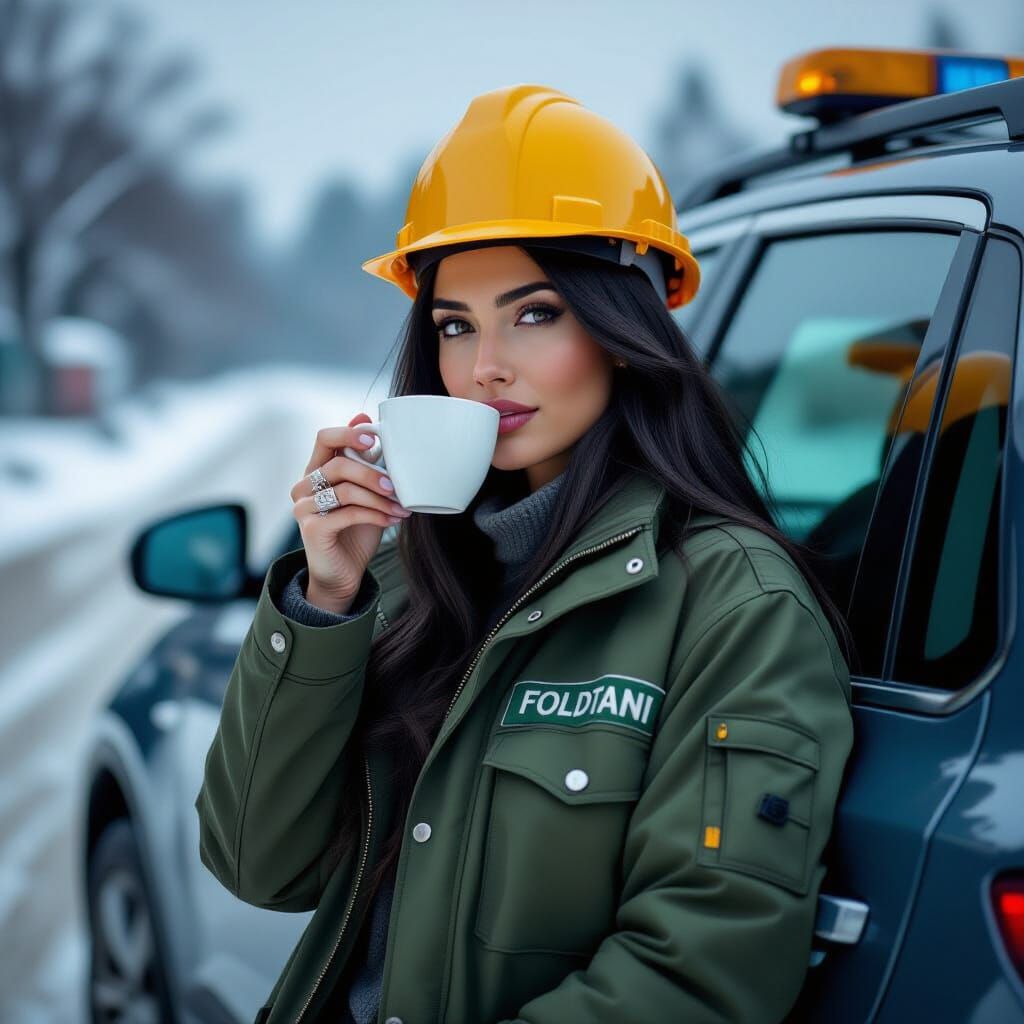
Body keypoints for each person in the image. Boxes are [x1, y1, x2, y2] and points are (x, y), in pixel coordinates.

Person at [194, 83, 858, 1024]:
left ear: (624, 331)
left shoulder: (735, 607)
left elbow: (701, 974)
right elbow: (259, 868)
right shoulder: (402, 579)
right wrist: (325, 604)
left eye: (535, 313)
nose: (483, 366)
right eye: (455, 325)